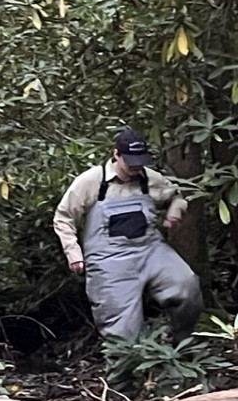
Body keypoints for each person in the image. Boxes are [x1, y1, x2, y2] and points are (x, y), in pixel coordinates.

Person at [53, 126, 203, 341]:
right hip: (109, 259)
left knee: (186, 286)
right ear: (116, 155)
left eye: (140, 161)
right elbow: (63, 217)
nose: (136, 166)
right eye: (131, 161)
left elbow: (177, 196)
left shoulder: (149, 178)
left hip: (151, 250)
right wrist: (73, 253)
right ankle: (129, 361)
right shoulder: (92, 181)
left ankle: (183, 345)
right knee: (122, 332)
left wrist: (174, 213)